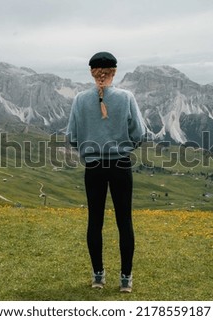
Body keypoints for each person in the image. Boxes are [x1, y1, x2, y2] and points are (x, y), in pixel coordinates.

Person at [66, 51, 146, 293]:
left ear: (92, 72)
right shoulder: (126, 97)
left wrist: (89, 146)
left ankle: (98, 276)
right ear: (114, 72)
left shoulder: (80, 100)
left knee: (95, 222)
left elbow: (71, 137)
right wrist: (123, 146)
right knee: (125, 222)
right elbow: (140, 134)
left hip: (94, 168)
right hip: (121, 165)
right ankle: (125, 280)